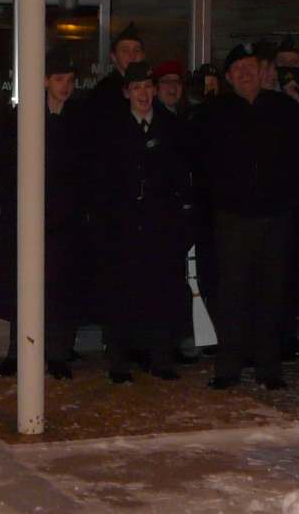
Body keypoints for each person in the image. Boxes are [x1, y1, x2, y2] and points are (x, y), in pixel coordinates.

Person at [196, 43, 299, 390]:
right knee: (232, 294)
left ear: (262, 72)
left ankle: (268, 368)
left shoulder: (286, 110)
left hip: (276, 218)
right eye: (237, 70)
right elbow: (202, 165)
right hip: (232, 219)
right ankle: (228, 367)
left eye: (250, 67)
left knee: (271, 293)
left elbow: (298, 161)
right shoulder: (213, 113)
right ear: (228, 78)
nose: (244, 74)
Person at [0, 48, 87, 380]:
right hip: (29, 215)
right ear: (45, 81)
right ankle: (18, 353)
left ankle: (57, 353)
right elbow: (6, 163)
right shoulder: (24, 116)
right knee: (24, 286)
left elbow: (86, 169)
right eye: (59, 79)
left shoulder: (79, 119)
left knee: (60, 288)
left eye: (70, 80)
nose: (65, 86)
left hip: (65, 219)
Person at [92, 61, 193, 384]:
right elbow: (101, 181)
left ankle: (160, 357)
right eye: (137, 88)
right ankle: (119, 360)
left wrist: (179, 219)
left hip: (160, 226)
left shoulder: (171, 127)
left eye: (148, 87)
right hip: (122, 227)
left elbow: (181, 176)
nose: (144, 94)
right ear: (127, 93)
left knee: (161, 292)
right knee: (121, 293)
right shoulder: (111, 129)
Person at [87, 21, 145, 120]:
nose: (132, 55)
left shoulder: (151, 85)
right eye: (125, 51)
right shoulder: (105, 90)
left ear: (143, 56)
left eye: (136, 50)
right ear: (114, 57)